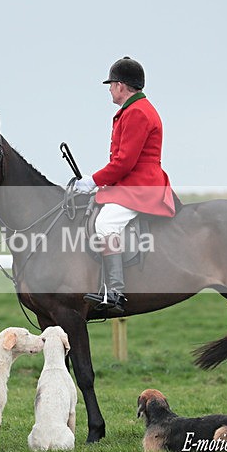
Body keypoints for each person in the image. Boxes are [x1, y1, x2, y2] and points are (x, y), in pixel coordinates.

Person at [74, 56, 176, 314]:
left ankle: (115, 292)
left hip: (141, 185)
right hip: (131, 182)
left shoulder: (137, 113)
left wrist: (93, 181)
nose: (109, 89)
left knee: (105, 223)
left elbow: (124, 163)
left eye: (111, 84)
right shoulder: (134, 110)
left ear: (121, 85)